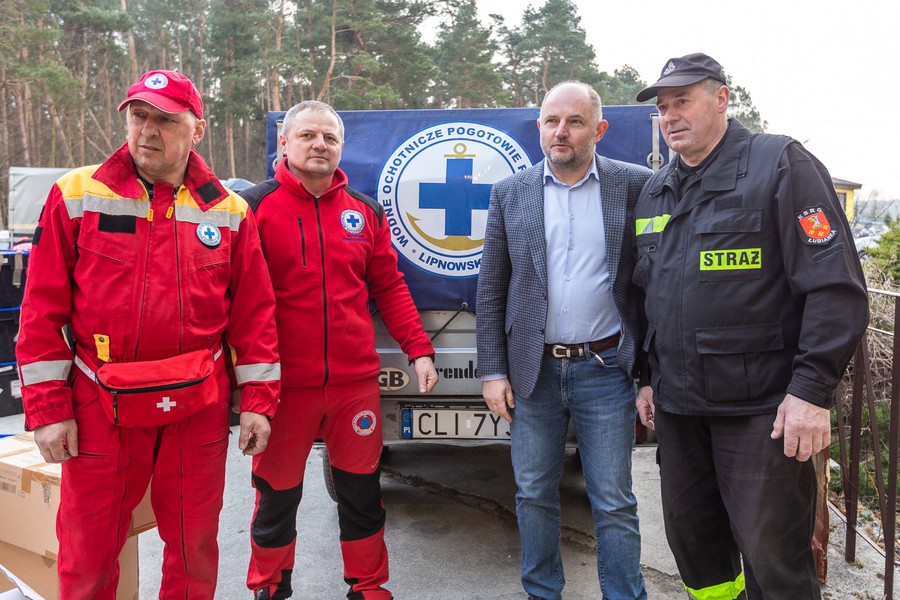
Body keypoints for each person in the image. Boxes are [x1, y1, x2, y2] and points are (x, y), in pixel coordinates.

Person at [16, 69, 281, 598]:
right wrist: (47, 410)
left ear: (197, 130)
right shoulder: (76, 194)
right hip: (99, 400)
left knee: (193, 547)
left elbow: (254, 315)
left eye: (166, 120)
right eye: (139, 116)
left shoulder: (229, 211)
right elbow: (41, 309)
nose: (148, 131)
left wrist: (258, 400)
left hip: (198, 402)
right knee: (88, 550)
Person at [631, 53, 869, 600]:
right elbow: (649, 297)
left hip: (763, 414)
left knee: (774, 562)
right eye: (662, 107)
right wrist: (646, 378)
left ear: (721, 99)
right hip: (679, 411)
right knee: (698, 553)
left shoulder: (781, 165)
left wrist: (810, 393)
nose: (670, 116)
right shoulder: (657, 189)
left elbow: (835, 289)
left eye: (682, 101)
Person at [241, 100, 439, 600]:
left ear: (341, 147)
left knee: (361, 494)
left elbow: (389, 287)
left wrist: (419, 350)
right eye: (307, 135)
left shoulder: (364, 211)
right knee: (276, 496)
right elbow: (233, 299)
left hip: (354, 387)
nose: (319, 145)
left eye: (329, 138)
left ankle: (368, 587)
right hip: (282, 387)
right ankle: (270, 586)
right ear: (284, 142)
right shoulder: (253, 208)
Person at [476, 81, 650, 600]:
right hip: (534, 373)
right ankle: (542, 591)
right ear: (539, 128)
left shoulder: (636, 186)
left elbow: (654, 286)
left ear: (599, 129)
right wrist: (493, 371)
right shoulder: (510, 193)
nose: (561, 131)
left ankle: (625, 595)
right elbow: (492, 288)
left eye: (575, 121)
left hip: (607, 370)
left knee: (613, 500)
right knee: (533, 493)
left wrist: (650, 373)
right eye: (552, 121)